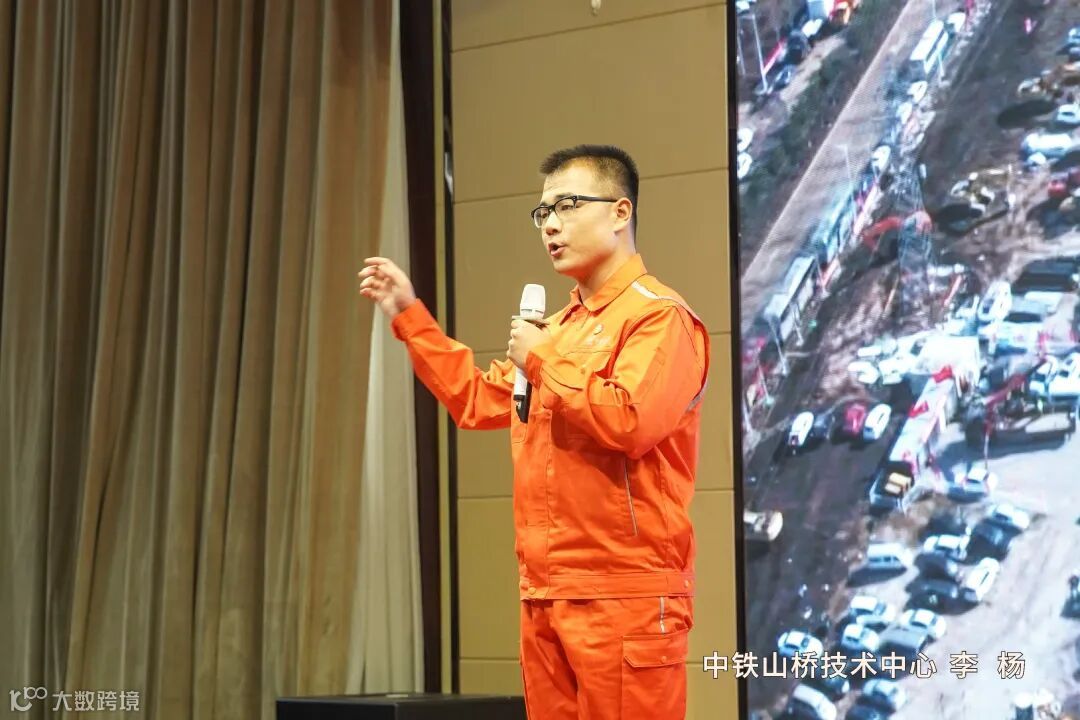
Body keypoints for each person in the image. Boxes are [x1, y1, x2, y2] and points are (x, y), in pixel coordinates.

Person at [358, 145, 710, 719]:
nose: (550, 224)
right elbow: (476, 400)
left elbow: (632, 420)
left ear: (620, 212)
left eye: (567, 206)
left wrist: (543, 359)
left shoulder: (658, 315)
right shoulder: (556, 330)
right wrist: (408, 314)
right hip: (545, 590)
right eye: (542, 212)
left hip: (624, 591)